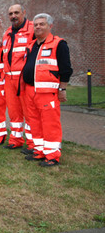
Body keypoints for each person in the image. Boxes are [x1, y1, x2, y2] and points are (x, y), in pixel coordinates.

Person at [22, 13, 72, 167]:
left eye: (41, 24)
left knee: (50, 124)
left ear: (50, 26)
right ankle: (39, 151)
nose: (38, 27)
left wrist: (62, 88)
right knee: (34, 123)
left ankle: (52, 155)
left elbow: (65, 68)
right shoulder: (31, 46)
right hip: (30, 91)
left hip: (47, 93)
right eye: (36, 24)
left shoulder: (59, 44)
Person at [2, 4, 36, 151]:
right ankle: (15, 140)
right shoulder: (7, 33)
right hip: (9, 79)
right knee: (14, 112)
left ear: (24, 12)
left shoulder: (33, 29)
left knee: (29, 112)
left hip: (24, 79)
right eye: (10, 14)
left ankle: (33, 143)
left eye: (16, 13)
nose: (13, 16)